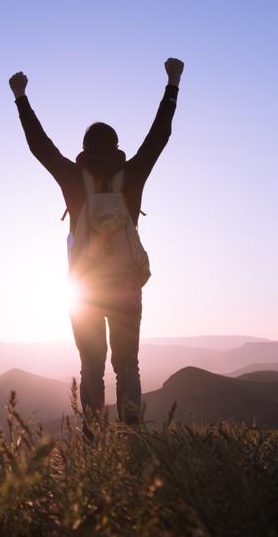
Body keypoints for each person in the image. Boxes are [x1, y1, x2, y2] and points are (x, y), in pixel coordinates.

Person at [9, 58, 183, 435]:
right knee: (127, 365)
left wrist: (21, 98)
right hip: (125, 286)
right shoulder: (132, 175)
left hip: (85, 289)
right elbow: (159, 136)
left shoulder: (73, 179)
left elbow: (41, 147)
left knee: (91, 366)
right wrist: (172, 84)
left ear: (84, 148)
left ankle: (93, 438)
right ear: (117, 146)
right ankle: (133, 435)